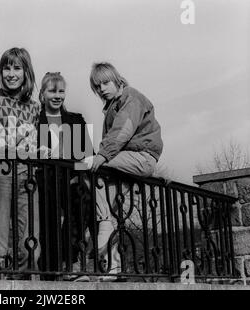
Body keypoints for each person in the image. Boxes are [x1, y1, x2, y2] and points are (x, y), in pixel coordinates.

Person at [82, 62, 163, 281]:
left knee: (89, 165)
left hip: (141, 157)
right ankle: (113, 266)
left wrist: (101, 156)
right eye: (97, 86)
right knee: (107, 208)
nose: (102, 89)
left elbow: (123, 131)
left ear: (117, 79)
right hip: (125, 162)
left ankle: (105, 225)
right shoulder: (111, 106)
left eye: (106, 83)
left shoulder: (130, 97)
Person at [0, 47, 41, 278]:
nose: (11, 73)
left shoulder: (35, 107)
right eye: (6, 67)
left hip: (28, 174)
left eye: (17, 68)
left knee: (31, 248)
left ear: (26, 72)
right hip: (0, 171)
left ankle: (14, 287)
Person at [36, 72, 94, 281]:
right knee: (47, 220)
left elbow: (88, 157)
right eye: (52, 90)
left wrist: (75, 172)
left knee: (81, 197)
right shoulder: (35, 119)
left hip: (71, 179)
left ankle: (70, 261)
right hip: (44, 179)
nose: (57, 95)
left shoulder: (76, 120)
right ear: (42, 94)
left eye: (61, 91)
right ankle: (49, 271)